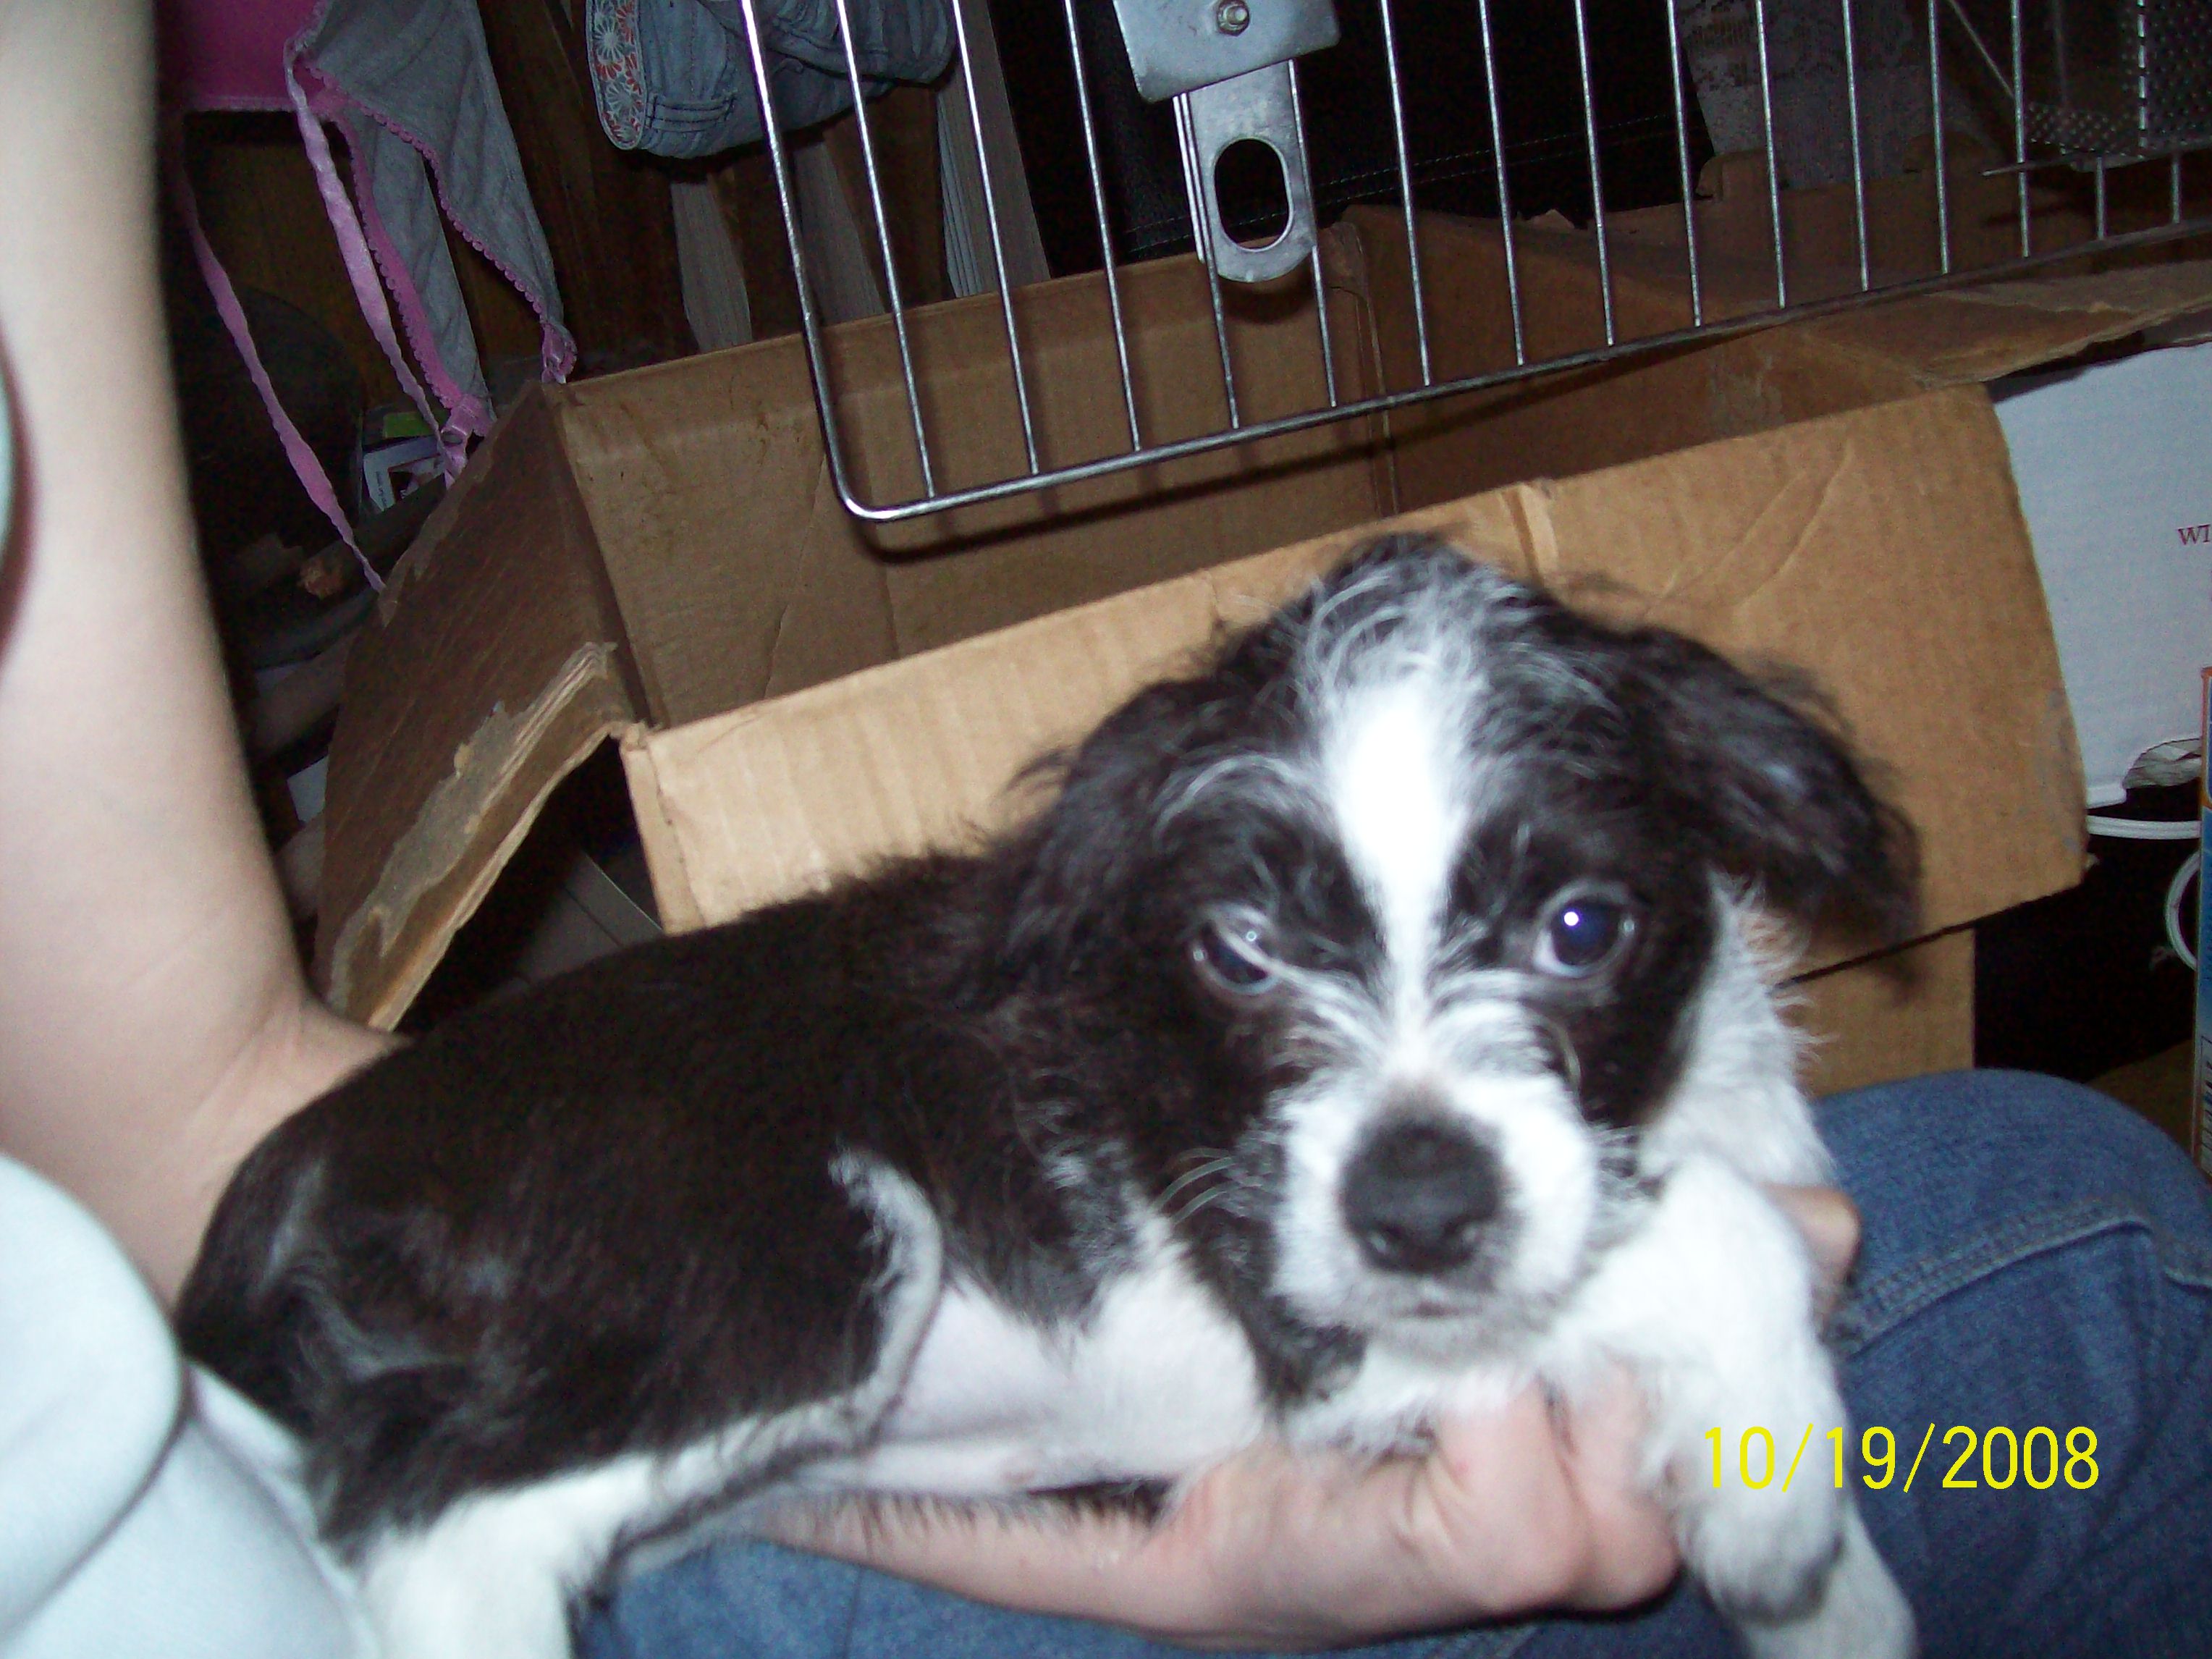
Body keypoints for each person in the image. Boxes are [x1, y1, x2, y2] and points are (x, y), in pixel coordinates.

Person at [1, 4, 2207, 1657]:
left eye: (1573, 922)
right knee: (2115, 1259)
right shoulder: (1033, 1080)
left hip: (442, 1349)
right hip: (460, 1426)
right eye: (1254, 953)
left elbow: (165, 1110)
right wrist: (1706, 1286)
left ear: (1726, 841)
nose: (1418, 1103)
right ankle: (468, 1541)